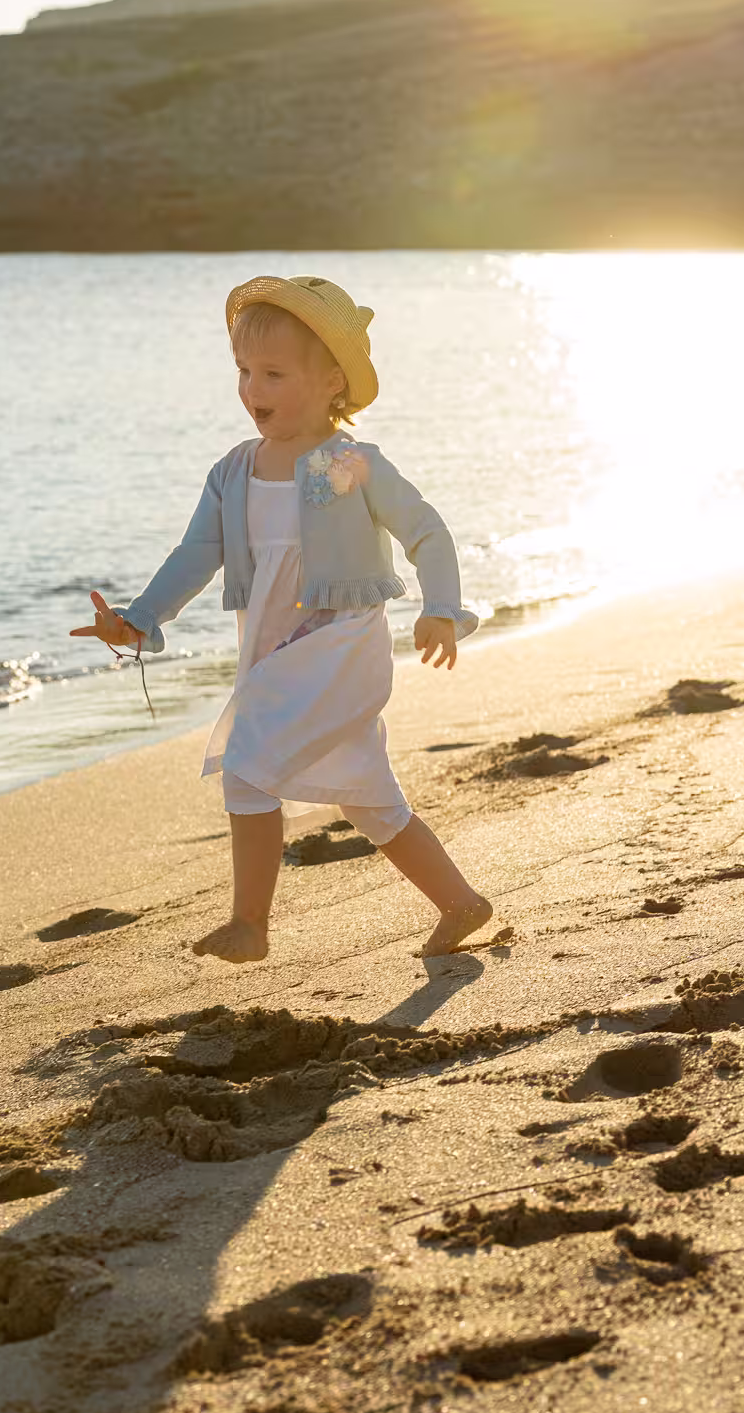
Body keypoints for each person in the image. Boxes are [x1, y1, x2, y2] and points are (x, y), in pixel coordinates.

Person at [71, 273, 495, 964]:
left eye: (272, 373)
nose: (252, 390)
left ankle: (250, 923)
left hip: (339, 642)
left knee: (246, 764)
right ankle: (461, 903)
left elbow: (426, 532)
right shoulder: (234, 471)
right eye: (243, 372)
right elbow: (196, 553)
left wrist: (440, 609)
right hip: (272, 647)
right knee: (368, 796)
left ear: (332, 381)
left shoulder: (343, 465)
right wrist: (139, 618)